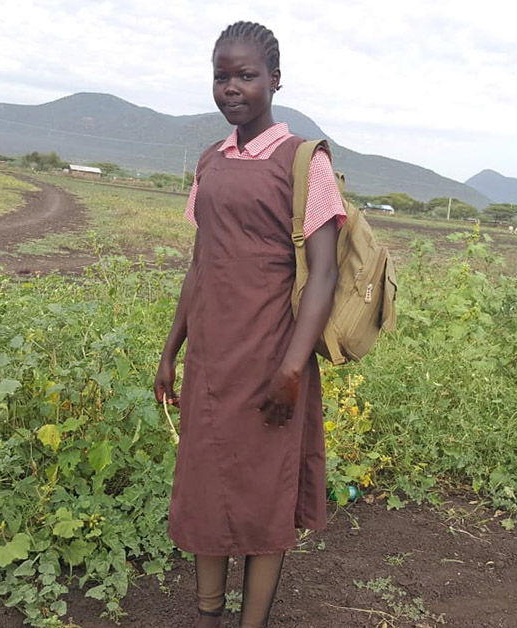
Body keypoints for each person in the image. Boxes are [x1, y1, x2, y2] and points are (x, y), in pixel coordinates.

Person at [153, 20, 346, 628]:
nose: (231, 87)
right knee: (208, 488)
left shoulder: (302, 160)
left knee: (264, 496)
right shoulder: (211, 160)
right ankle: (208, 617)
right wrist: (170, 349)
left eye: (246, 75)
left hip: (272, 358)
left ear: (275, 80)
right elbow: (200, 261)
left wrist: (292, 368)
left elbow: (324, 273)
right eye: (221, 76)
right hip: (212, 359)